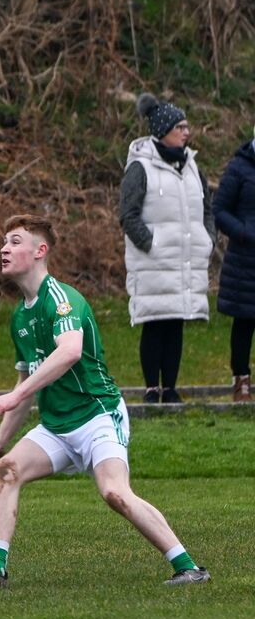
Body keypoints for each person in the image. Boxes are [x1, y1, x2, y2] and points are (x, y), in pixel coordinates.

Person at [0, 214, 210, 591]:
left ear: (39, 251)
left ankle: (189, 567)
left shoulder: (61, 299)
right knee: (8, 469)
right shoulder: (19, 318)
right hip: (57, 425)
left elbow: (70, 352)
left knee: (114, 492)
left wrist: (14, 395)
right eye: (4, 242)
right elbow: (28, 381)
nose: (3, 248)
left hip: (98, 415)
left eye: (14, 241)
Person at [118, 93, 214, 404]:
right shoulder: (140, 167)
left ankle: (170, 388)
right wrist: (150, 244)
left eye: (187, 126)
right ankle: (150, 388)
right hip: (153, 261)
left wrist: (207, 239)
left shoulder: (193, 167)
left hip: (185, 261)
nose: (187, 132)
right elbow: (127, 214)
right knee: (154, 324)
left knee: (175, 324)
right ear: (163, 130)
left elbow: (208, 209)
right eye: (180, 127)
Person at [211, 129, 255, 402]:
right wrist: (243, 232)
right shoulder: (239, 168)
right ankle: (241, 382)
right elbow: (220, 210)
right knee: (245, 322)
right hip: (246, 260)